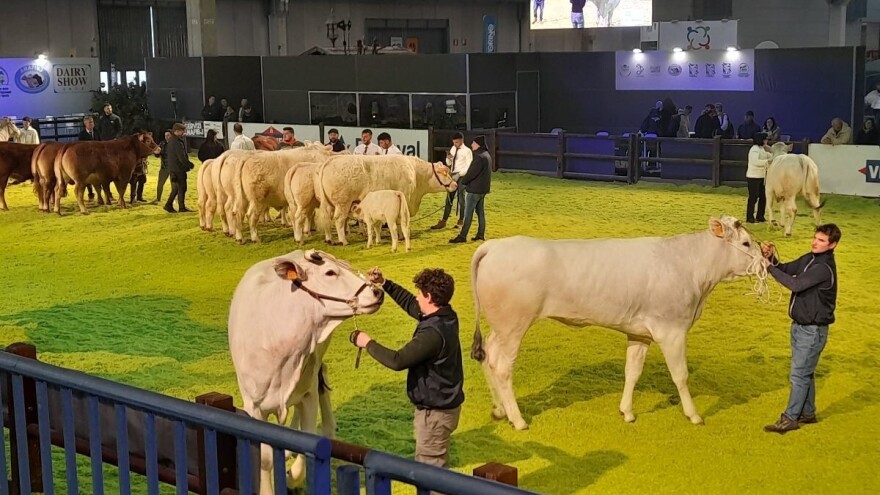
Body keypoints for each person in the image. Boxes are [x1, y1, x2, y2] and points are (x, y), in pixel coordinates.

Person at [352, 267, 464, 471]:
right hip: (443, 408)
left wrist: (367, 342)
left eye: (420, 293)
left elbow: (398, 360)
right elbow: (411, 305)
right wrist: (385, 283)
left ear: (429, 297)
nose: (417, 297)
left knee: (431, 473)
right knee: (435, 469)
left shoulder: (432, 334)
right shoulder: (445, 315)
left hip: (435, 414)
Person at [762, 224, 840, 434]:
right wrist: (771, 259)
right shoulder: (810, 259)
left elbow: (795, 284)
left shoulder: (823, 269)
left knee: (798, 375)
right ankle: (807, 412)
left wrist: (767, 268)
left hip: (812, 331)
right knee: (806, 373)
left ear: (832, 245)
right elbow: (786, 269)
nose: (815, 242)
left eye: (821, 240)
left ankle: (790, 418)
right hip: (801, 327)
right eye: (815, 238)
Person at [450, 135, 491, 244]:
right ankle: (480, 234)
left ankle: (463, 236)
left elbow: (471, 173)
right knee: (480, 212)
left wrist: (463, 182)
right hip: (482, 189)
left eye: (473, 143)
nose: (472, 145)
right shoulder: (486, 155)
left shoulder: (478, 157)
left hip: (474, 190)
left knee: (468, 214)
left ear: (477, 144)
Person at [431, 132, 472, 230]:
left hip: (462, 176)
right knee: (449, 198)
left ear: (461, 140)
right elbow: (449, 162)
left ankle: (461, 220)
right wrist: (448, 158)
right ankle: (444, 220)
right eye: (454, 142)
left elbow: (469, 166)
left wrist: (459, 174)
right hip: (453, 175)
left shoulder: (467, 151)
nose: (455, 144)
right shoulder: (453, 148)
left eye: (456, 142)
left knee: (461, 199)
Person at [164, 122, 193, 213]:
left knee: (177, 188)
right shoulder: (177, 142)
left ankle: (170, 205)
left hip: (173, 168)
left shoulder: (172, 140)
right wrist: (189, 164)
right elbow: (181, 157)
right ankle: (180, 207)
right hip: (178, 169)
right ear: (177, 131)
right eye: (182, 131)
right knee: (182, 187)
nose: (183, 133)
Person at [745, 132, 770, 224]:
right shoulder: (754, 149)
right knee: (753, 197)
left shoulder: (762, 149)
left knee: (763, 197)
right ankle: (750, 216)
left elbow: (769, 156)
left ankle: (760, 215)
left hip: (762, 177)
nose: (766, 141)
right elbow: (755, 161)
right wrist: (768, 162)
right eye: (765, 139)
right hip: (753, 177)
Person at [77, 116, 100, 200]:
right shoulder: (81, 135)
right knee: (87, 176)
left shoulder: (97, 132)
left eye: (92, 122)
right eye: (90, 122)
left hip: (97, 157)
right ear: (85, 124)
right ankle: (90, 192)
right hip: (87, 159)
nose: (92, 124)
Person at [154, 129, 173, 204]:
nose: (166, 137)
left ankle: (173, 199)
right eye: (165, 135)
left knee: (174, 185)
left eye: (168, 135)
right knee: (160, 184)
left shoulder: (175, 143)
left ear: (171, 135)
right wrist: (156, 153)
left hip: (173, 168)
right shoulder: (162, 143)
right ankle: (158, 199)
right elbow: (158, 155)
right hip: (164, 167)